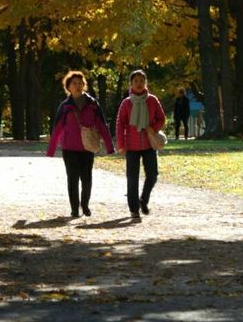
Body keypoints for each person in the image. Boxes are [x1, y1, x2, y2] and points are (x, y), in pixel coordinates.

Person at [47, 71, 114, 218]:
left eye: (80, 83)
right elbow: (57, 128)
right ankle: (74, 209)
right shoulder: (65, 106)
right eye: (74, 84)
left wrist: (110, 146)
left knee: (87, 178)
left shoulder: (93, 104)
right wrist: (51, 150)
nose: (77, 86)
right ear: (68, 87)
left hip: (87, 147)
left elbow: (102, 125)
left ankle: (85, 205)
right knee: (72, 179)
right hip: (69, 148)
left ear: (84, 85)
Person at [116, 69, 166, 222]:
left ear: (145, 83)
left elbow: (162, 119)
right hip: (132, 146)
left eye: (141, 81)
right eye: (136, 81)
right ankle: (133, 209)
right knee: (132, 178)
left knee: (152, 175)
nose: (139, 84)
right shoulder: (126, 103)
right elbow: (120, 124)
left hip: (149, 145)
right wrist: (121, 145)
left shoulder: (152, 100)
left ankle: (143, 200)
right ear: (131, 84)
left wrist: (154, 128)